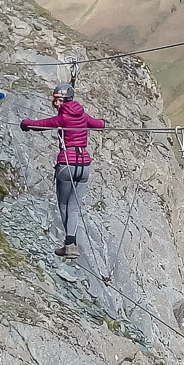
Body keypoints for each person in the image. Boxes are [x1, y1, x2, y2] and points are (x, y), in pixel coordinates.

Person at [21, 88, 109, 259]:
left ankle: (69, 244)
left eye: (56, 100)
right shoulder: (83, 116)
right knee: (74, 206)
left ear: (62, 100)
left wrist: (26, 123)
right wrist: (104, 122)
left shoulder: (62, 117)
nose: (55, 103)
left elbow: (42, 125)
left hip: (66, 164)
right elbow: (100, 124)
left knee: (63, 204)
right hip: (84, 165)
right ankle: (71, 243)